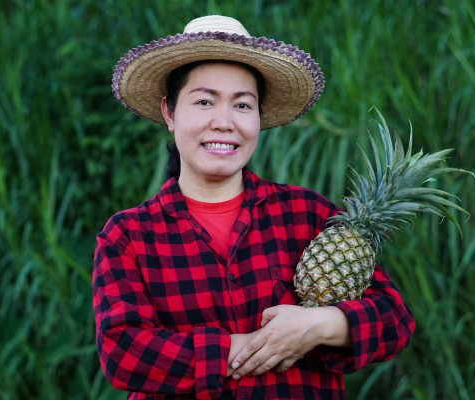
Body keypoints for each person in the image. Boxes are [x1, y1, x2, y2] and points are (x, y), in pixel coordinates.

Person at [93, 15, 415, 400]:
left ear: (259, 118)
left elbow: (394, 319)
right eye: (204, 101)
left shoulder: (309, 216)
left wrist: (317, 325)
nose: (224, 122)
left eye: (243, 105)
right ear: (170, 113)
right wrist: (249, 347)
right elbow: (123, 354)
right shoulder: (128, 236)